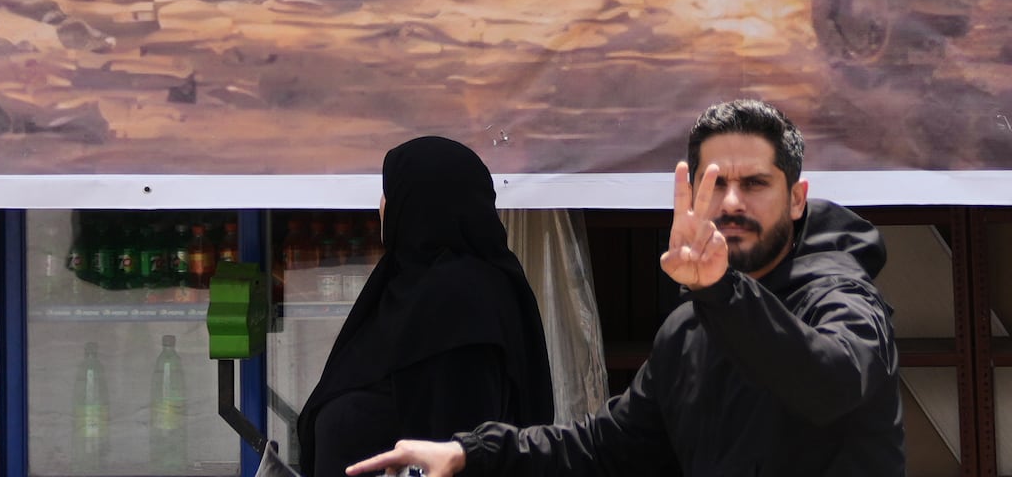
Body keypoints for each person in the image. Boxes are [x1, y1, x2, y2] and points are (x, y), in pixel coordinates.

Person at [354, 101, 898, 477]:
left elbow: (831, 384)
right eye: (715, 184)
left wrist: (722, 291)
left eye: (755, 184)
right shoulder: (689, 329)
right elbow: (604, 448)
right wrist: (471, 454)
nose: (732, 203)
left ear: (797, 198)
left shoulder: (841, 297)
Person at [296, 137, 558, 477]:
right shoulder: (406, 289)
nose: (381, 204)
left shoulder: (460, 306)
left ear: (416, 204)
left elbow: (459, 441)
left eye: (390, 192)